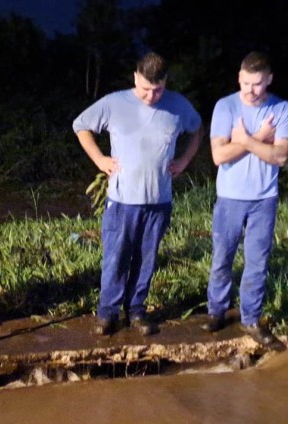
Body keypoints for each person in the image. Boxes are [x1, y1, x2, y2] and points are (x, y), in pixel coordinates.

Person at [73, 52, 204, 336]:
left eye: (157, 89)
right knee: (116, 257)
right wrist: (100, 160)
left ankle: (136, 311)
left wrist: (183, 161)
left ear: (165, 82)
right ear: (135, 78)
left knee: (146, 257)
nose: (151, 95)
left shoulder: (178, 106)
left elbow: (197, 130)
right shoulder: (114, 103)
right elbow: (80, 126)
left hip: (159, 201)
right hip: (122, 201)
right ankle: (107, 312)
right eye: (145, 88)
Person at [201, 51, 288, 346]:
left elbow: (280, 156)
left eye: (257, 84)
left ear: (268, 80)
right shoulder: (225, 106)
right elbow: (219, 156)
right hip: (230, 197)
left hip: (264, 199)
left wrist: (243, 139)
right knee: (222, 258)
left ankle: (250, 319)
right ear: (239, 78)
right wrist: (261, 138)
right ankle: (216, 311)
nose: (251, 91)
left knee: (257, 262)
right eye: (245, 83)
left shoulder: (281, 108)